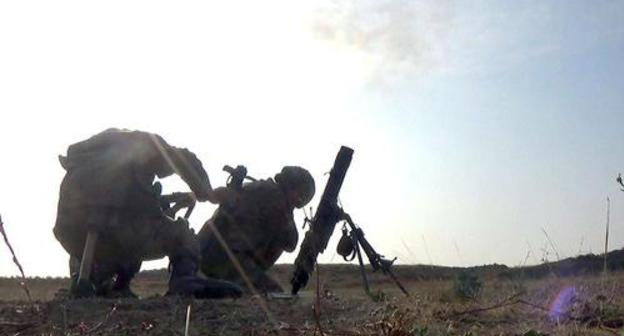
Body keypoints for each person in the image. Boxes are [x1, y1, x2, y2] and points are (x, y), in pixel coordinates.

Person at [53, 128, 242, 298]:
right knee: (181, 232)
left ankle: (98, 281)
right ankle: (184, 279)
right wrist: (208, 193)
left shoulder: (89, 159)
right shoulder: (145, 143)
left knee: (120, 233)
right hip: (123, 233)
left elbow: (121, 203)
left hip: (72, 235)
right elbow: (183, 159)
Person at [198, 166, 315, 293]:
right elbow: (291, 242)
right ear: (295, 191)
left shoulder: (257, 187)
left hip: (203, 254)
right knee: (274, 293)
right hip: (227, 261)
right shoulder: (277, 199)